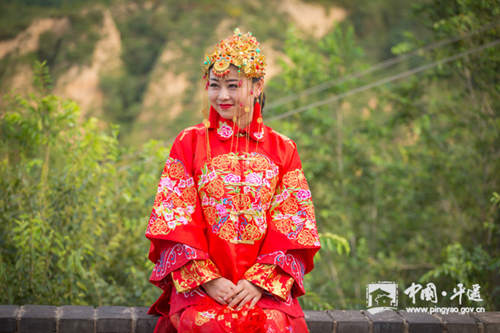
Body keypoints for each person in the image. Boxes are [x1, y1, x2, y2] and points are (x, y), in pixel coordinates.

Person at [145, 28, 321, 333]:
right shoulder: (188, 143)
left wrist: (257, 283)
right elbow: (173, 216)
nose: (222, 96)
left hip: (261, 294)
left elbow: (294, 222)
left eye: (232, 85)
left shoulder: (284, 149)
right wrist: (209, 281)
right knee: (202, 324)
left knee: (272, 325)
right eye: (215, 86)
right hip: (202, 289)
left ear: (256, 86)